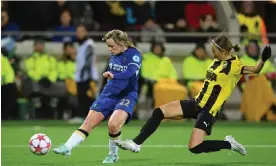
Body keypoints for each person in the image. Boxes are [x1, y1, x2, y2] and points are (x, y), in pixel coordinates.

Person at [115, 35, 272, 156]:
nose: (212, 52)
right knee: (159, 112)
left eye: (215, 49)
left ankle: (229, 144)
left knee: (194, 147)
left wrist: (263, 59)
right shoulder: (216, 61)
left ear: (223, 51)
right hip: (197, 103)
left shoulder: (235, 66)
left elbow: (255, 70)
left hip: (208, 111)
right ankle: (136, 143)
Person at [53, 29, 142, 163]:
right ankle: (67, 146)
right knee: (89, 122)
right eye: (108, 46)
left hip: (126, 95)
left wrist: (114, 75)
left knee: (113, 125)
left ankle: (113, 154)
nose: (110, 49)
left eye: (111, 46)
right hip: (109, 93)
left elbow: (130, 71)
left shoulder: (134, 54)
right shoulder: (115, 54)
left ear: (121, 42)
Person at [67, 25, 98, 124]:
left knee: (85, 96)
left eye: (81, 31)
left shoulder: (89, 44)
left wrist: (84, 75)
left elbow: (88, 61)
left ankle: (83, 116)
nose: (79, 34)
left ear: (86, 32)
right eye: (77, 32)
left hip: (87, 76)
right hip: (81, 75)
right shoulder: (80, 45)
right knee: (83, 97)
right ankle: (89, 116)